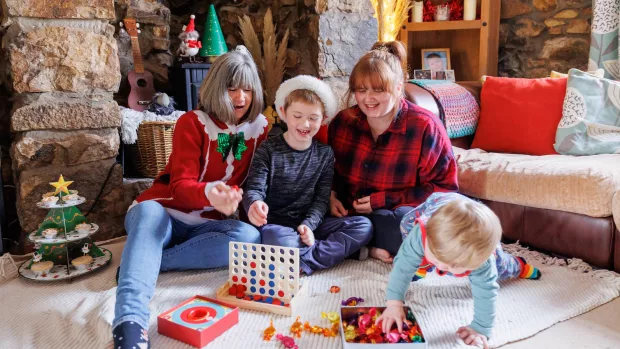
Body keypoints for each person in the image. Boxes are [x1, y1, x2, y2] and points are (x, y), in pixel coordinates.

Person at [113, 46, 268, 349]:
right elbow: (179, 188)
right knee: (148, 215)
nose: (240, 98)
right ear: (215, 88)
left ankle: (153, 259)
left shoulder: (260, 129)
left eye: (247, 89)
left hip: (206, 226)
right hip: (163, 211)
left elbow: (256, 183)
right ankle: (129, 325)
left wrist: (251, 206)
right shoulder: (192, 123)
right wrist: (211, 192)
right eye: (232, 88)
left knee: (249, 238)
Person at [328, 41, 458, 263]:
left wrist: (383, 200)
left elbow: (445, 192)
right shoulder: (342, 123)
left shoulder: (425, 127)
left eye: (378, 90)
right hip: (349, 217)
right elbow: (327, 171)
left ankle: (363, 245)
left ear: (398, 88)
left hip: (396, 215)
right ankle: (367, 245)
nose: (368, 99)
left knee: (406, 225)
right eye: (361, 90)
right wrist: (329, 195)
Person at [376, 192, 542, 349]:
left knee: (501, 267)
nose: (441, 269)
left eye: (452, 267)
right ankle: (422, 265)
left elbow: (486, 291)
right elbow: (403, 267)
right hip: (436, 205)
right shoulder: (420, 234)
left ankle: (520, 266)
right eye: (437, 261)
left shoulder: (483, 262)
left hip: (484, 251)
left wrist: (481, 327)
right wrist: (394, 304)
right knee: (411, 251)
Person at [243, 75, 373, 274]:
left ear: (322, 120)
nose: (305, 124)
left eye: (313, 118)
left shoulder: (325, 154)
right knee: (279, 241)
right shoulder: (268, 150)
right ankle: (334, 253)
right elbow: (254, 189)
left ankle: (302, 259)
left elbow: (322, 200)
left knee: (363, 226)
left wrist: (308, 226)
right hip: (276, 226)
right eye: (297, 116)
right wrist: (254, 204)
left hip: (311, 224)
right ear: (283, 113)